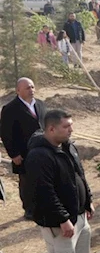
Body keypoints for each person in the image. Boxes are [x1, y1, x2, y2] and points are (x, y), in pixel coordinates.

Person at [26, 110, 100, 253]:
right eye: (66, 126)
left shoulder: (68, 146)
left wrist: (88, 200)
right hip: (59, 222)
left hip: (79, 215)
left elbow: (80, 175)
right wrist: (62, 219)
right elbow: (44, 192)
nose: (71, 129)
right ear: (51, 129)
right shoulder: (39, 156)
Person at [1, 78, 46, 219]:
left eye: (33, 87)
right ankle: (29, 209)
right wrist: (14, 154)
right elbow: (5, 134)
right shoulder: (10, 109)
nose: (31, 90)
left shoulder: (41, 105)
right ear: (18, 90)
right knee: (27, 181)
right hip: (24, 152)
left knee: (44, 178)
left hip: (43, 150)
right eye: (28, 88)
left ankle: (44, 206)